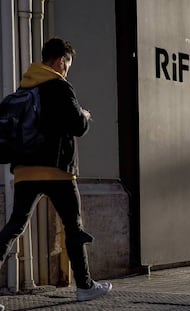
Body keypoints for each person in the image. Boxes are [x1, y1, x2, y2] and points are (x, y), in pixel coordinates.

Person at [0, 38, 111, 309]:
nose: (67, 70)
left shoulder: (26, 87)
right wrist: (84, 114)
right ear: (61, 61)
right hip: (57, 172)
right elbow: (77, 125)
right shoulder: (59, 87)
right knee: (73, 228)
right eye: (68, 64)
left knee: (14, 227)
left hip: (25, 171)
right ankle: (84, 286)